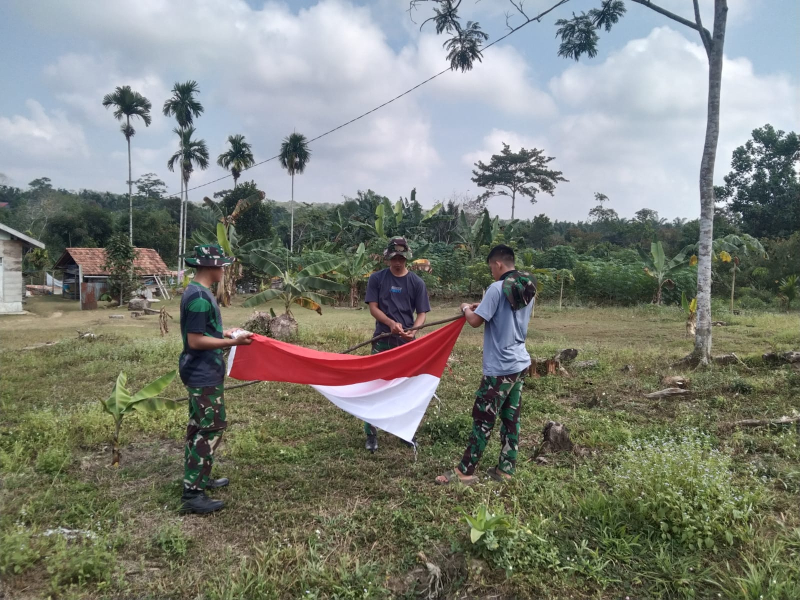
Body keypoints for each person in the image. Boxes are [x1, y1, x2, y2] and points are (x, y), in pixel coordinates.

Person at [435, 244, 536, 485]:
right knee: (511, 418)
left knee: (483, 418)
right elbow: (502, 312)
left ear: (498, 264)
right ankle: (506, 469)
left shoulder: (496, 287)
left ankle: (465, 471)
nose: (491, 271)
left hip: (500, 367)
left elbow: (475, 322)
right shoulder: (526, 287)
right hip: (520, 362)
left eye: (491, 267)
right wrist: (479, 305)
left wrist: (464, 309)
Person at [179, 244, 253, 515]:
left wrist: (226, 332)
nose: (223, 269)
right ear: (209, 267)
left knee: (199, 426)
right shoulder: (199, 297)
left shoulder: (198, 291)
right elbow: (195, 340)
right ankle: (193, 493)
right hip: (202, 372)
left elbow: (203, 330)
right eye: (221, 265)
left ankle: (199, 475)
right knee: (210, 428)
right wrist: (232, 343)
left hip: (203, 370)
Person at [363, 236, 431, 453]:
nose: (397, 261)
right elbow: (373, 308)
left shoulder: (416, 283)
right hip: (382, 339)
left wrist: (414, 329)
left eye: (401, 257)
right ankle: (371, 434)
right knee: (376, 386)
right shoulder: (377, 279)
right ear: (387, 258)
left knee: (407, 387)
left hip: (406, 344)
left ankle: (405, 432)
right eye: (394, 257)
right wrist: (390, 323)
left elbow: (422, 314)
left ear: (407, 258)